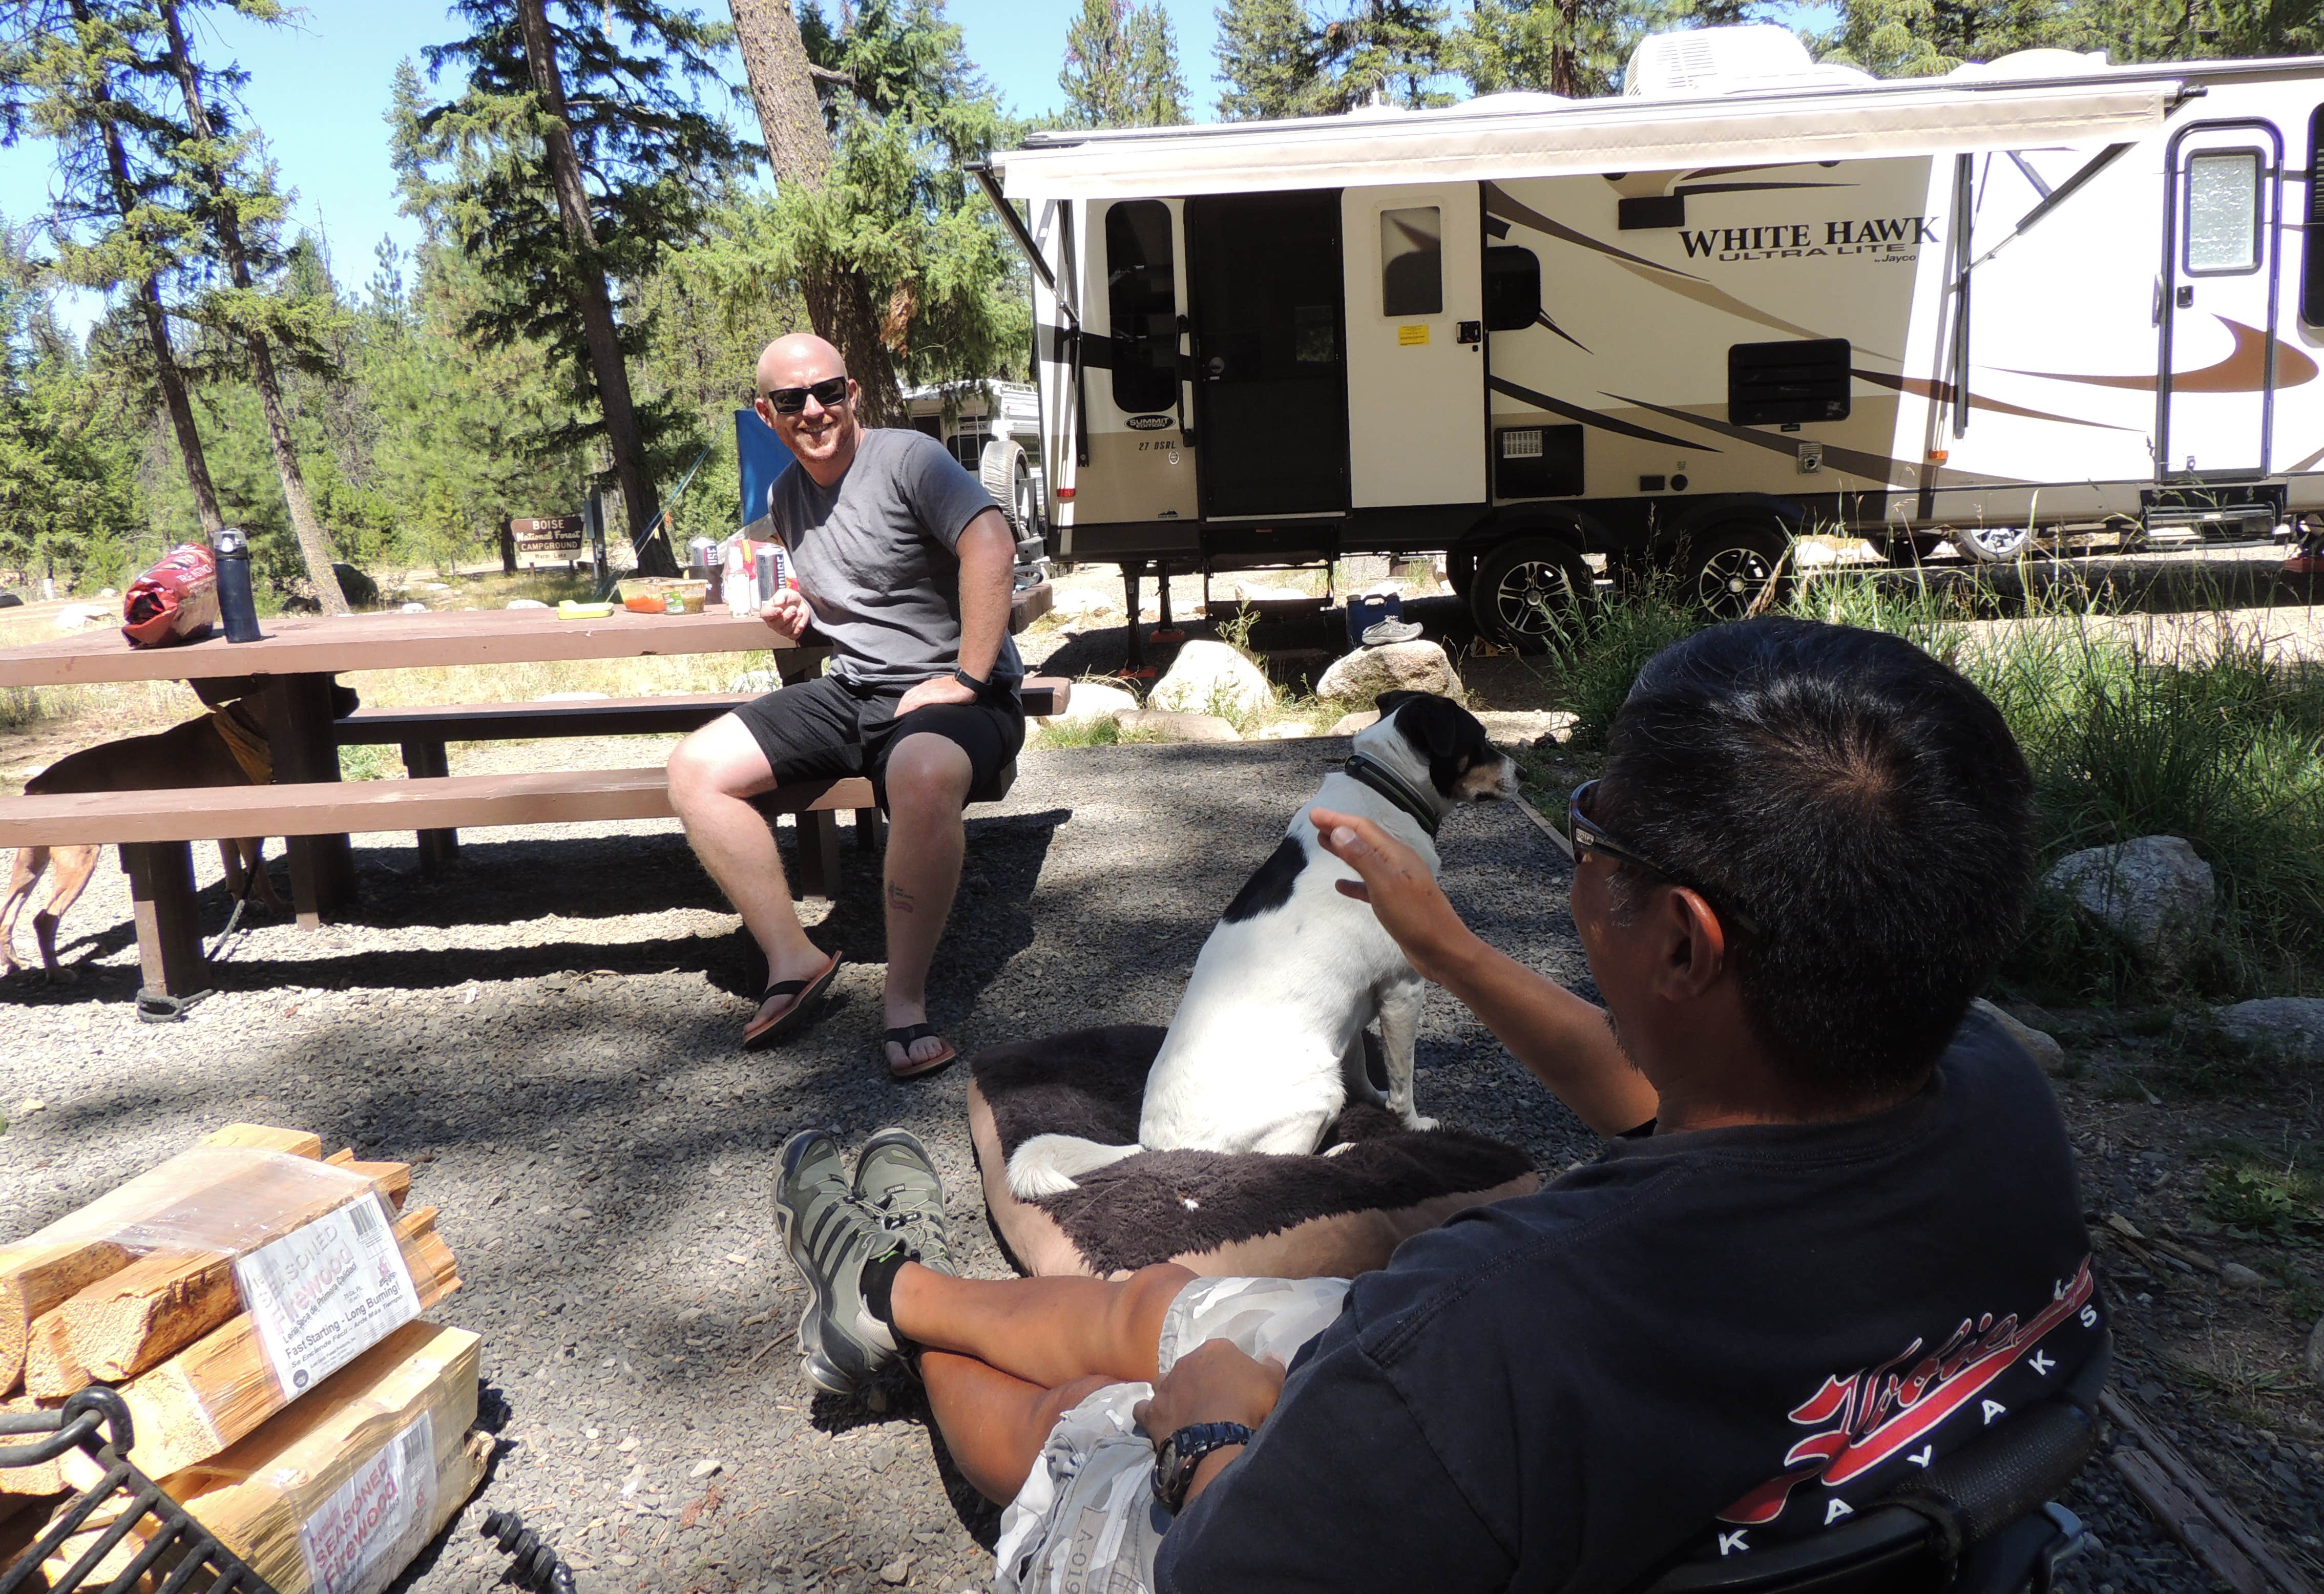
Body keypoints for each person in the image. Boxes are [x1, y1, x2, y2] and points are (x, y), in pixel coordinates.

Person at [770, 618, 2105, 1593]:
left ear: (1687, 945)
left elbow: (1233, 1573)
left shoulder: (1485, 1321)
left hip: (1318, 1511)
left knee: (1088, 1421)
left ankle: (905, 1332)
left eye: (1594, 827)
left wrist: (1218, 1431)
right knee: (1177, 1301)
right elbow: (1651, 1095)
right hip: (1645, 1465)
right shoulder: (1992, 1096)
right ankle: (899, 1289)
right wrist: (1451, 947)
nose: (1576, 847)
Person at [667, 333, 1023, 1077]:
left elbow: (991, 544)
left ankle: (904, 1001)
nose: (815, 411)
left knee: (922, 772)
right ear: (766, 414)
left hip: (955, 692)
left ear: (852, 393)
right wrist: (798, 613)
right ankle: (792, 958)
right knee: (696, 767)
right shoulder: (785, 495)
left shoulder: (909, 460)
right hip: (856, 689)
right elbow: (847, 597)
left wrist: (965, 678)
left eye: (828, 392)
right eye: (793, 401)